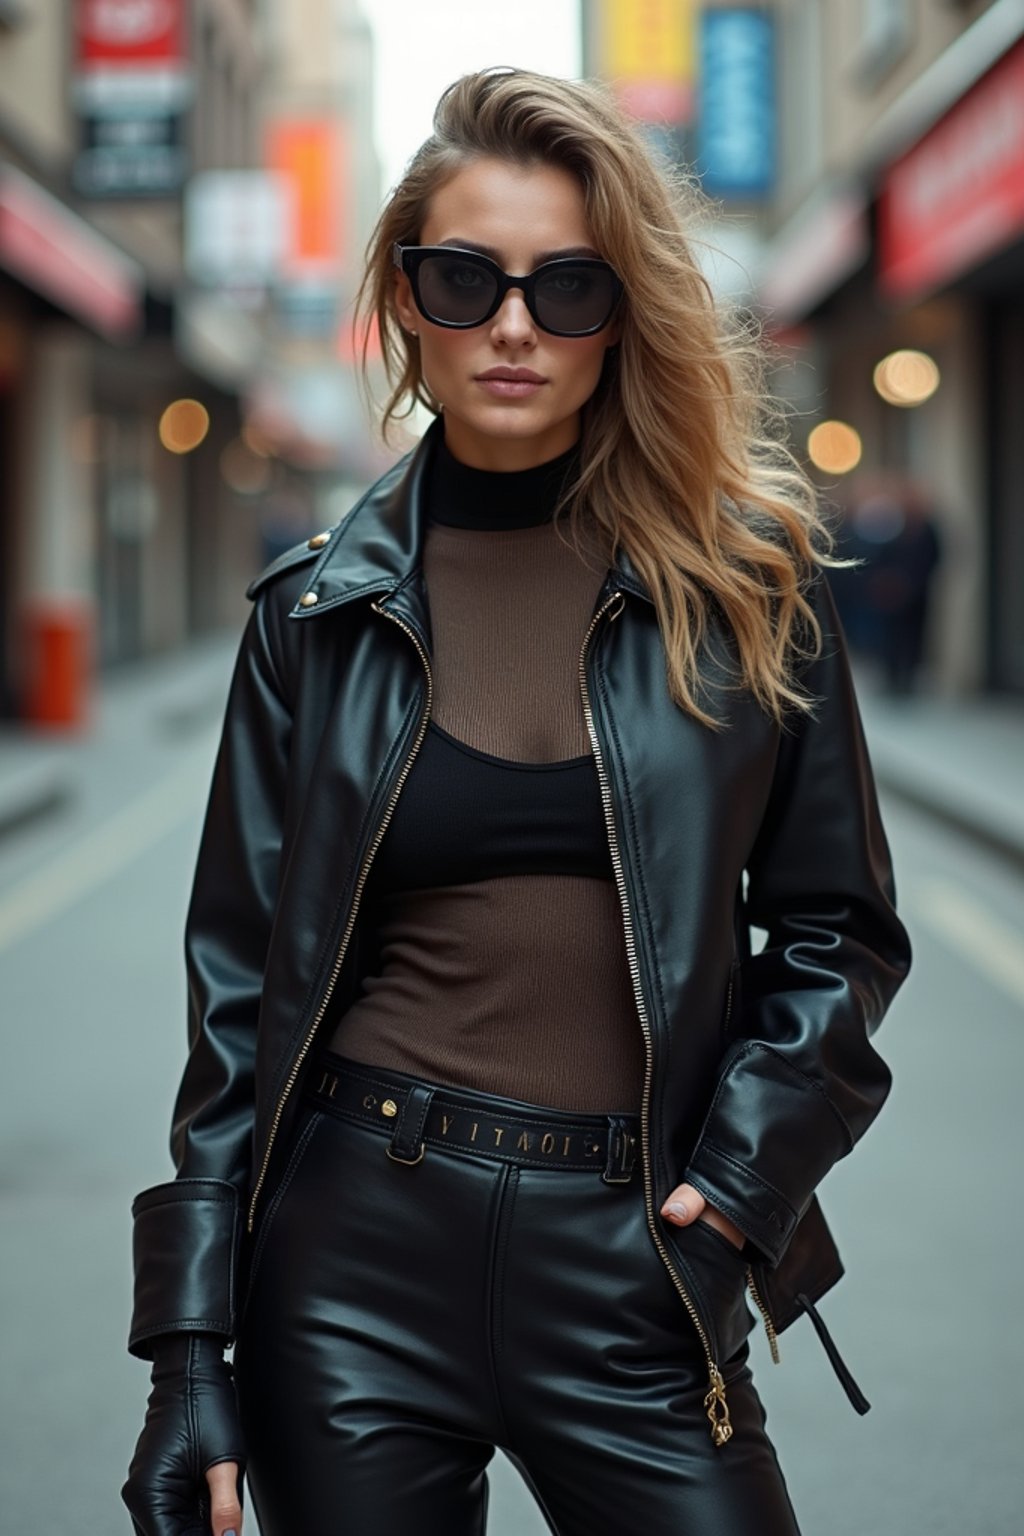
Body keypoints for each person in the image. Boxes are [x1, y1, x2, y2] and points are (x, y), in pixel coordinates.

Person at [121, 68, 912, 1536]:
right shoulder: (312, 617)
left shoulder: (746, 593)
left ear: (626, 316)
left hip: (639, 1257)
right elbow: (236, 1002)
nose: (512, 325)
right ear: (407, 298)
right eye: (464, 276)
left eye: (568, 289)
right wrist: (186, 1354)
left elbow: (838, 933)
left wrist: (738, 1188)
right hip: (353, 1266)